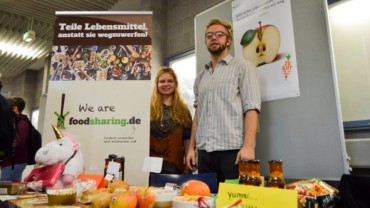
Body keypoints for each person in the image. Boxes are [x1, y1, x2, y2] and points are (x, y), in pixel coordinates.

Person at [186, 18, 261, 183]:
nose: (214, 38)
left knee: (234, 203)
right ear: (205, 41)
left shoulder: (243, 67)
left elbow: (252, 108)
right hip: (204, 153)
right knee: (206, 201)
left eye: (219, 34)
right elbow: (198, 115)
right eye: (209, 35)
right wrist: (191, 148)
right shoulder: (201, 77)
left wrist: (248, 146)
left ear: (228, 41)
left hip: (233, 153)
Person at [150, 67, 192, 174]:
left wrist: (188, 159)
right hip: (150, 165)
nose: (166, 84)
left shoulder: (183, 110)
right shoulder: (148, 109)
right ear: (156, 84)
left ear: (175, 84)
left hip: (175, 166)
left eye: (170, 81)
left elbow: (187, 138)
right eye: (162, 81)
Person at [0, 96, 31, 181]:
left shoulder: (21, 123)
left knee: (6, 189)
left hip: (14, 162)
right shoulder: (14, 122)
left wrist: (5, 151)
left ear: (15, 108)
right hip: (10, 162)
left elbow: (18, 143)